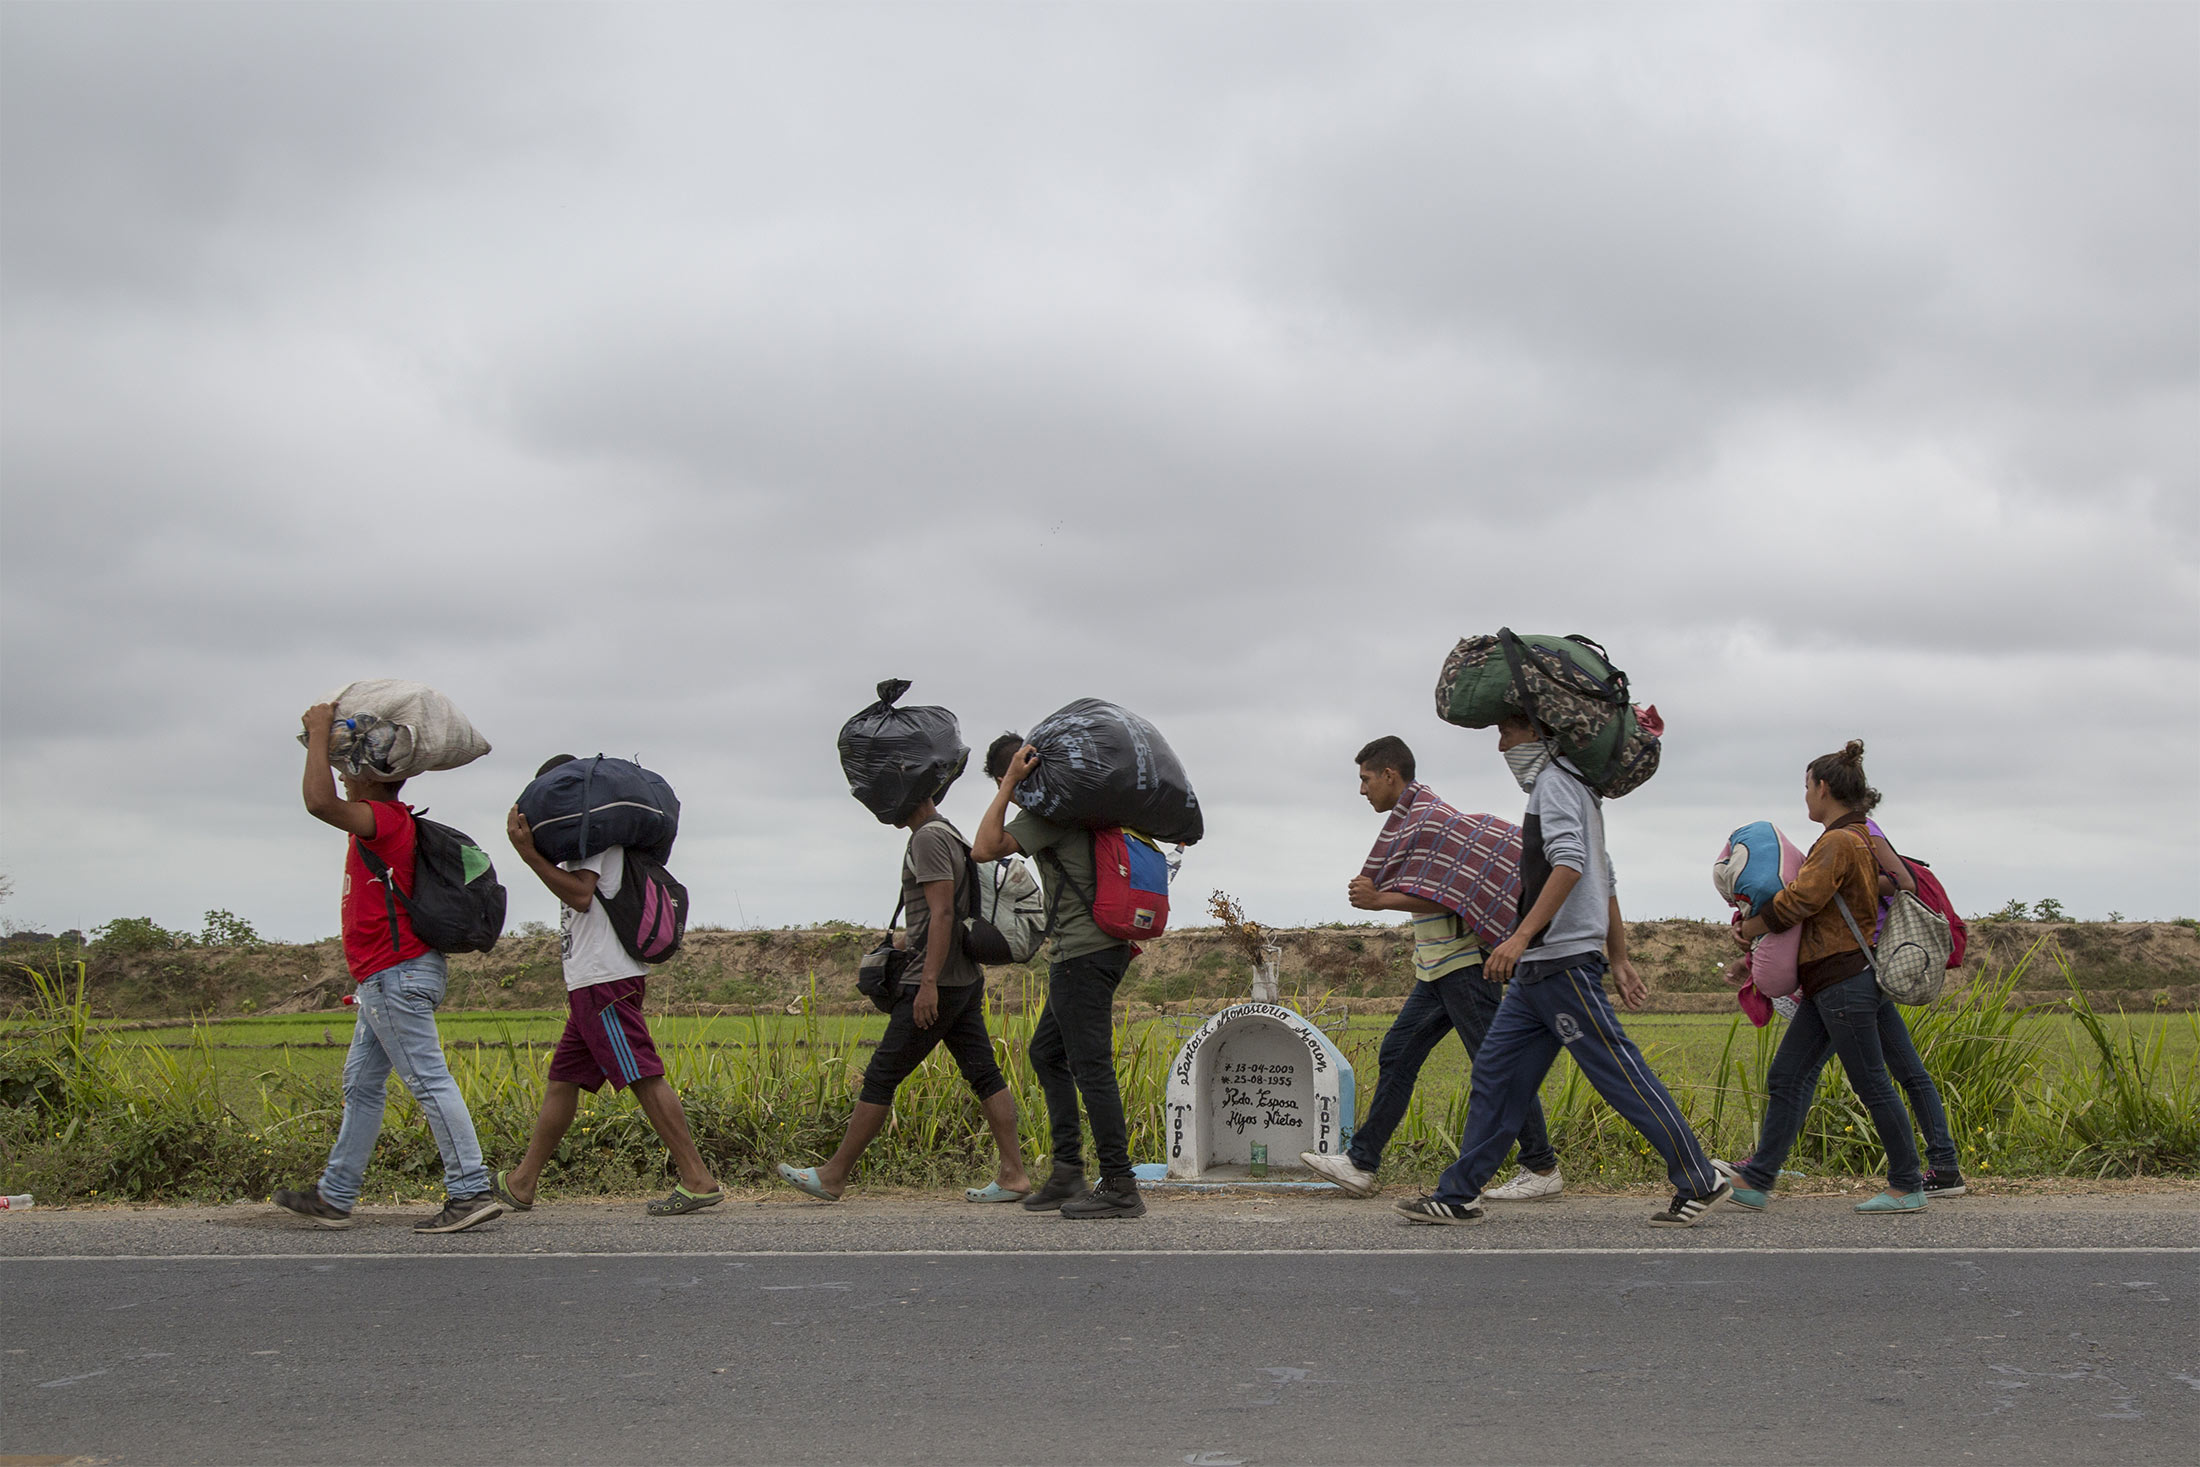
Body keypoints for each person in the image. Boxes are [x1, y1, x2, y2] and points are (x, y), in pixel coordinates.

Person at [1397, 713, 1733, 1228]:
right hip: (1539, 971)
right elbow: (1608, 873)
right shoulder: (1575, 787)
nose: (1502, 745)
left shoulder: (1554, 785)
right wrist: (1618, 956)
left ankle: (1699, 1177)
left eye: (1506, 732)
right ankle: (1458, 1194)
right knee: (1495, 1073)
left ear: (1538, 732)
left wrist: (1521, 935)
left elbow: (1573, 863)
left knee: (1617, 1072)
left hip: (1561, 964)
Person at [1299, 737, 1563, 1201]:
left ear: (1390, 776)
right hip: (1437, 966)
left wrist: (1380, 900)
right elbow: (1436, 884)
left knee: (1495, 1065)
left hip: (1462, 964)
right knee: (1398, 1054)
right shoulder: (1411, 824)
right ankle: (1362, 1163)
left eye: (1365, 779)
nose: (1362, 790)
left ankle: (1541, 1167)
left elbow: (1450, 893)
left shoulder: (1429, 820)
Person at [274, 702, 502, 1234]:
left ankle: (470, 1190)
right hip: (386, 977)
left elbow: (317, 803)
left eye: (347, 770)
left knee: (427, 1078)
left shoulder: (384, 820)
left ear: (366, 779)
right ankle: (335, 1195)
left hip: (395, 973)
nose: (340, 778)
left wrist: (315, 732)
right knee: (362, 1084)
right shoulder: (386, 823)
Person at [776, 767, 1033, 1204]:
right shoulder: (947, 833)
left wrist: (927, 983)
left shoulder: (928, 838)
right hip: (964, 979)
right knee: (983, 1074)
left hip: (936, 983)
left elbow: (943, 915)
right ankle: (1013, 1175)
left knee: (881, 1076)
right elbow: (943, 911)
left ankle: (834, 1175)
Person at [493, 756, 724, 1217]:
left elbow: (580, 895)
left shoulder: (597, 845)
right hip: (591, 983)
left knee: (641, 1072)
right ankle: (522, 1182)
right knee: (563, 1082)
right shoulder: (593, 846)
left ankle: (697, 1179)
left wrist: (529, 855)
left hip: (606, 982)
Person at [1727, 741, 1934, 1214]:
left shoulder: (1839, 841)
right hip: (1841, 981)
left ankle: (1907, 1183)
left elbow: (1802, 900)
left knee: (1872, 1083)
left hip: (1843, 982)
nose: (1804, 797)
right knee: (1788, 1076)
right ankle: (1758, 1179)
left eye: (1806, 787)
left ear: (1823, 787)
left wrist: (1751, 926)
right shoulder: (1859, 837)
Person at [971, 732, 1144, 1219]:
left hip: (1083, 956)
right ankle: (1069, 1171)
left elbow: (984, 848)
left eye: (1015, 778)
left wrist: (1007, 783)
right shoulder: (1080, 809)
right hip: (1095, 952)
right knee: (1047, 1052)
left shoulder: (1050, 816)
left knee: (1092, 1068)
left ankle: (1121, 1185)